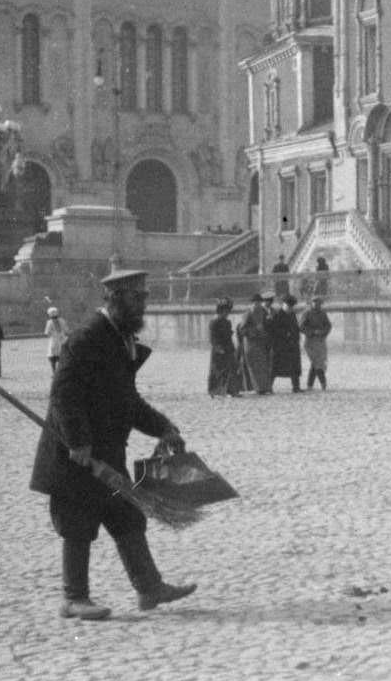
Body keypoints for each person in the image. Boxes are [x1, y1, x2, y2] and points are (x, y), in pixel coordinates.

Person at [28, 264, 196, 620]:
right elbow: (63, 394)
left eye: (144, 299)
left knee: (127, 516)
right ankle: (73, 598)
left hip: (105, 450)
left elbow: (127, 402)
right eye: (137, 299)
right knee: (77, 521)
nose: (143, 307)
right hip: (76, 452)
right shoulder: (87, 337)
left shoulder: (120, 339)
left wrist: (162, 427)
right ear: (115, 299)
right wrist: (77, 441)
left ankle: (149, 588)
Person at [268, 294, 303, 392]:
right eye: (288, 306)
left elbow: (296, 328)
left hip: (292, 346)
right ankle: (268, 387)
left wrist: (296, 337)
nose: (290, 308)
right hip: (280, 346)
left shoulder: (292, 314)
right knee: (275, 368)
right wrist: (285, 334)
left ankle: (296, 387)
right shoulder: (278, 314)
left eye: (292, 306)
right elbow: (273, 330)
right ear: (284, 304)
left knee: (294, 367)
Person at [239, 294, 272, 395]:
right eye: (255, 302)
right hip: (251, 343)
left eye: (259, 302)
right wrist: (255, 330)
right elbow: (242, 329)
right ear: (252, 303)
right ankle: (258, 388)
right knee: (253, 366)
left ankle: (265, 387)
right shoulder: (248, 313)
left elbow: (268, 326)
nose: (257, 304)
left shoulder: (264, 312)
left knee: (263, 366)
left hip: (261, 342)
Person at [206, 298, 239, 396]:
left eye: (228, 311)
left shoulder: (227, 322)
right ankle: (216, 391)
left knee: (232, 370)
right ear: (221, 311)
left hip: (228, 349)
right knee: (218, 371)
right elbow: (213, 338)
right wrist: (218, 348)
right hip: (219, 351)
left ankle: (232, 391)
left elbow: (229, 338)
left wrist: (233, 349)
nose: (227, 313)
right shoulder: (214, 322)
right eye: (225, 311)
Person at [300, 297, 332, 391]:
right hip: (310, 342)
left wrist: (322, 332)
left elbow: (328, 326)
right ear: (311, 303)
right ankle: (323, 382)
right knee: (316, 362)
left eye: (319, 303)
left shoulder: (323, 313)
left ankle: (310, 385)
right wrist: (313, 332)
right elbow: (301, 327)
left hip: (320, 341)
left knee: (317, 363)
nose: (317, 304)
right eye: (315, 302)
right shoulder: (306, 313)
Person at [45, 305, 68, 375]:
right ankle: (62, 371)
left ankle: (54, 372)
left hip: (53, 341)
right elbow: (66, 331)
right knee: (62, 357)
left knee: (52, 358)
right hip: (62, 340)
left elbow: (47, 333)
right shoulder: (62, 320)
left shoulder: (49, 322)